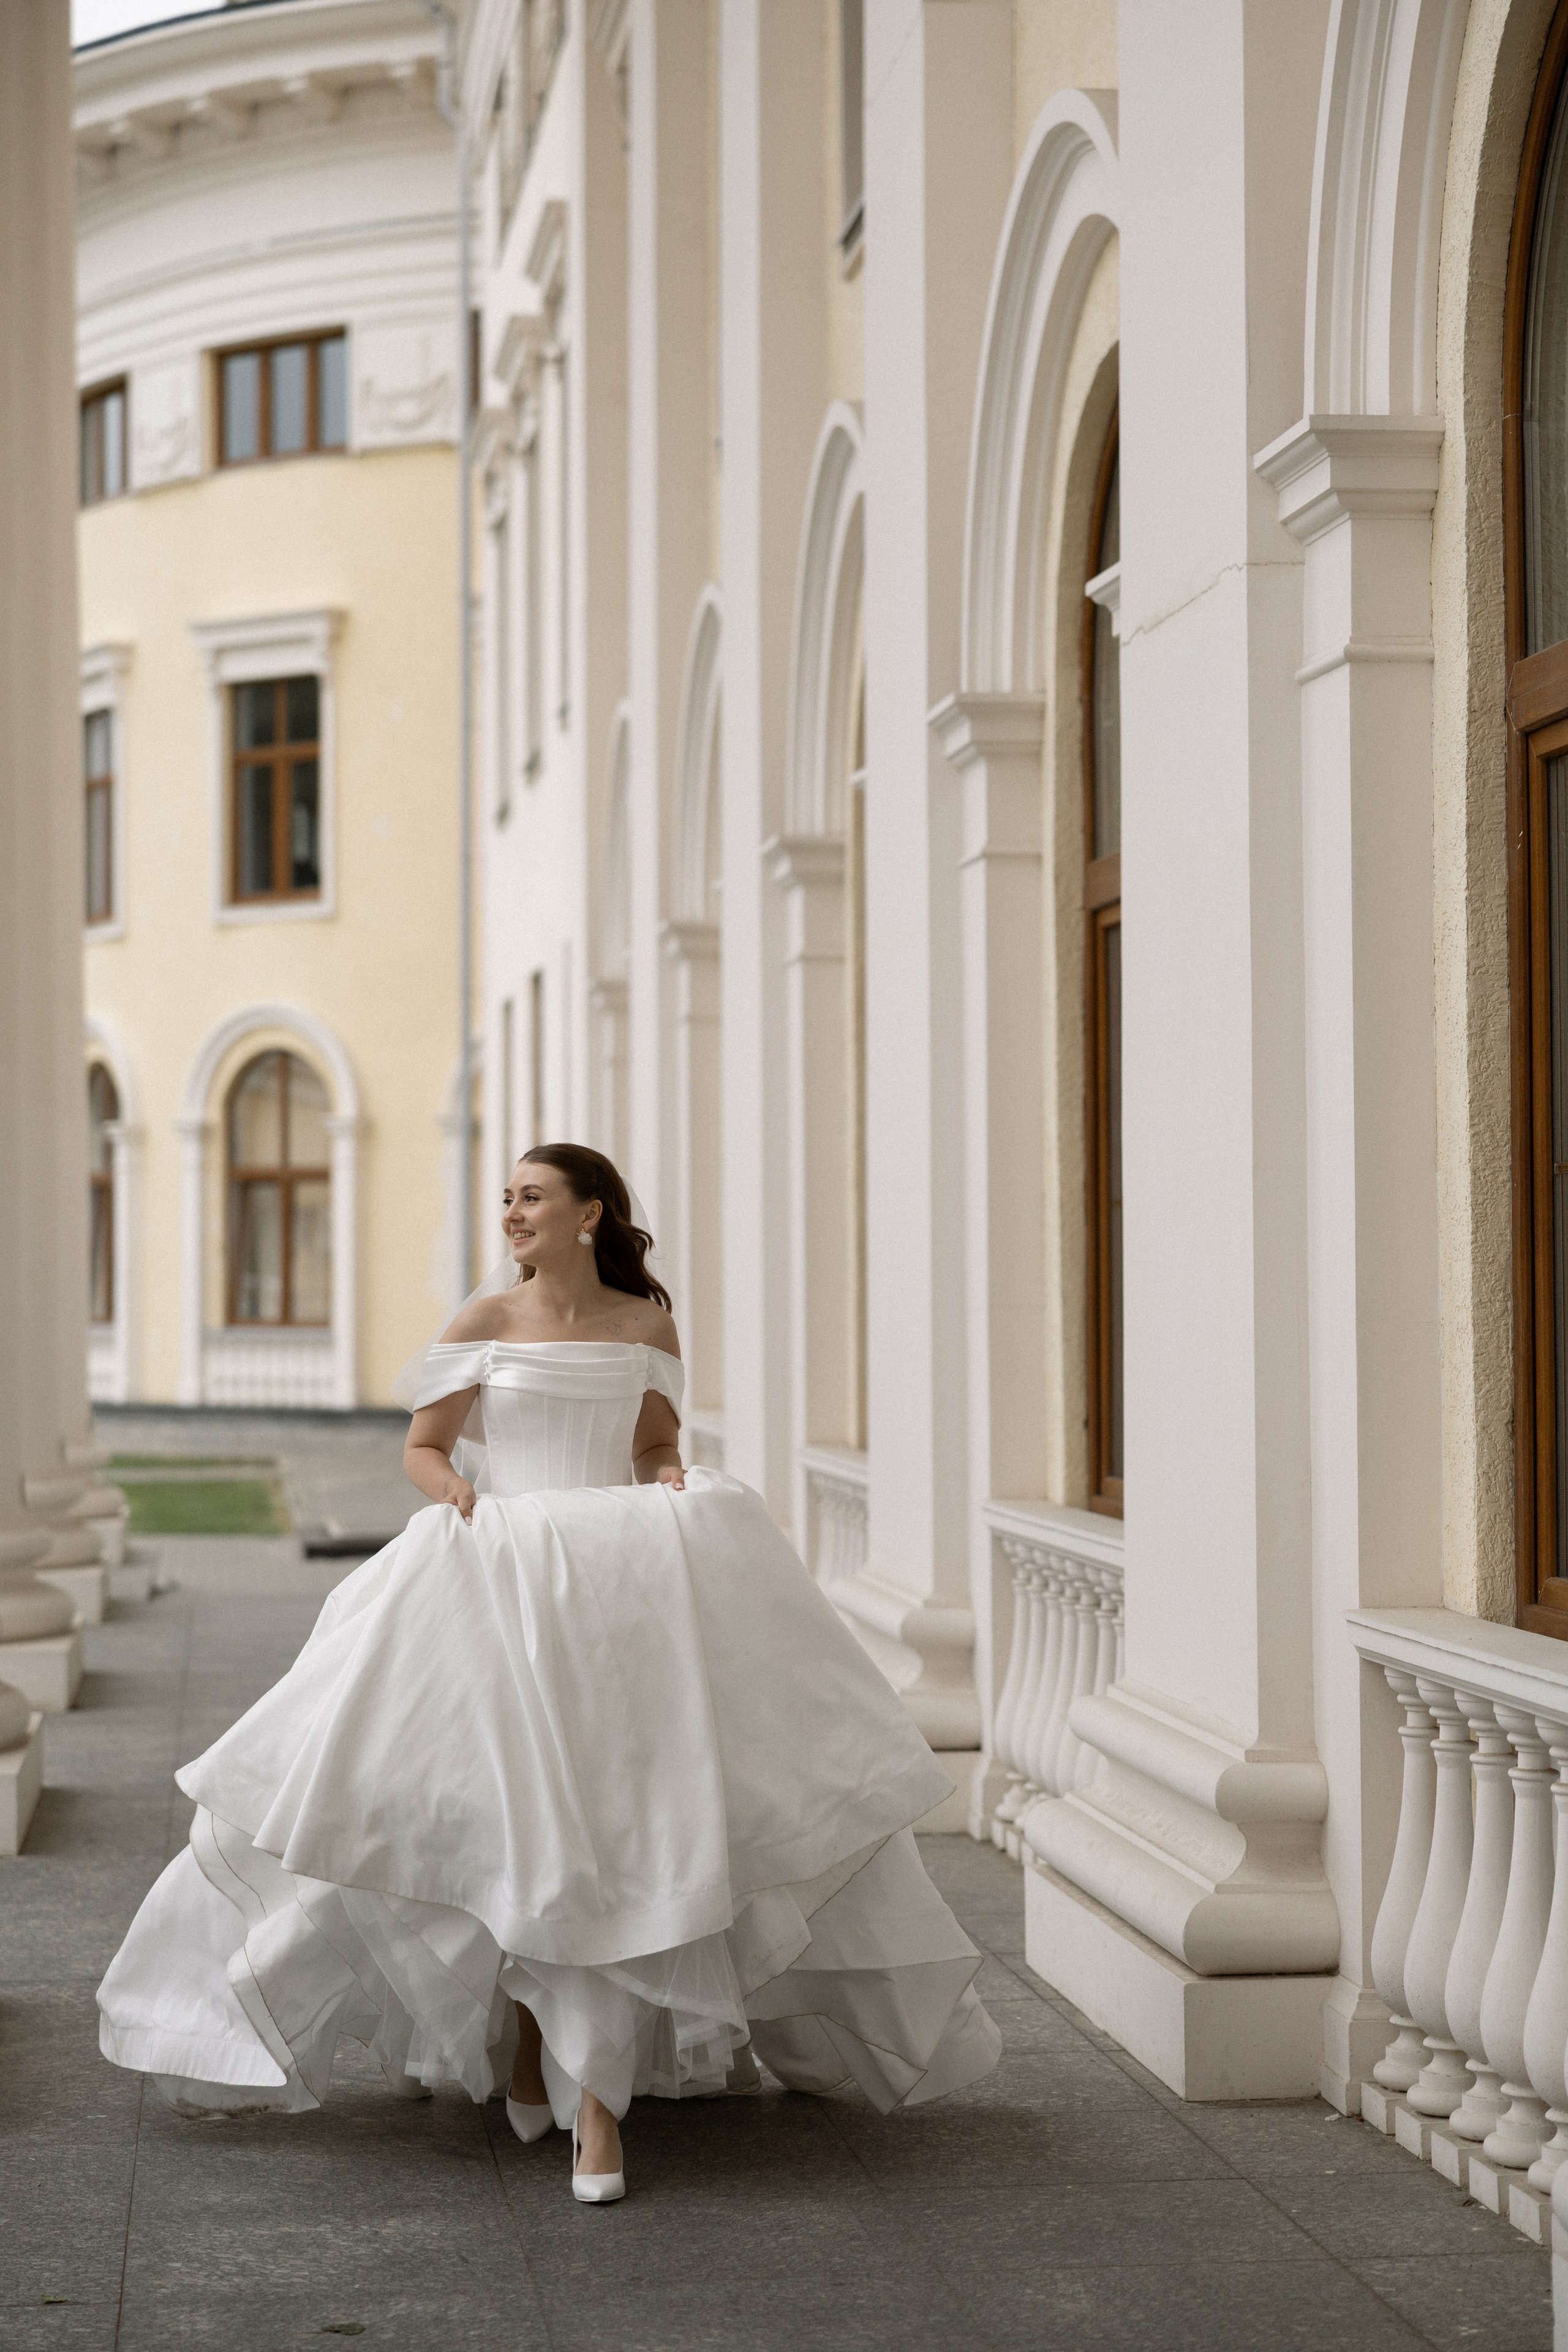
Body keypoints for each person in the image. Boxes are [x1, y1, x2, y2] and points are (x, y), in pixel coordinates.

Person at [97, 1144, 1000, 2203]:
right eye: (509, 1200)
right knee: (519, 1825)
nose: (513, 1215)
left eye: (533, 1198)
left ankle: (580, 2087)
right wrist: (463, 1501)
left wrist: (672, 1480)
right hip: (503, 1575)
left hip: (621, 1592)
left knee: (617, 1827)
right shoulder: (483, 1322)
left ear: (590, 1214)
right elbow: (425, 1450)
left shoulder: (644, 1324)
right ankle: (553, 2071)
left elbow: (651, 1444)